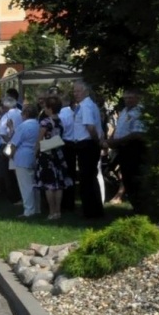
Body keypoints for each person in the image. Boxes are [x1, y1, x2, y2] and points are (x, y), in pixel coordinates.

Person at [66, 81, 105, 219]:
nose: (75, 94)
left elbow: (90, 127)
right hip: (85, 144)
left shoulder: (86, 106)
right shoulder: (85, 105)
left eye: (78, 91)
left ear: (85, 92)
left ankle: (91, 211)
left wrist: (95, 140)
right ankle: (92, 209)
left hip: (87, 144)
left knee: (87, 179)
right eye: (74, 91)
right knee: (88, 178)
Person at [108, 88, 147, 210]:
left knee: (134, 178)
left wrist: (117, 141)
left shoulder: (139, 111)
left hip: (133, 148)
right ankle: (135, 206)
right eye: (126, 98)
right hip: (122, 148)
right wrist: (112, 140)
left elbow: (137, 134)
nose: (128, 100)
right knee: (126, 177)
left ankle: (140, 206)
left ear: (137, 98)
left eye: (131, 98)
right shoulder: (124, 110)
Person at [35, 96, 71, 220]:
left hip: (46, 154)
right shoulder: (60, 121)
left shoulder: (45, 122)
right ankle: (58, 211)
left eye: (45, 107)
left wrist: (35, 153)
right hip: (58, 153)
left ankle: (52, 211)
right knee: (58, 183)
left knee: (49, 184)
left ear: (50, 108)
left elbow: (39, 139)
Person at [10, 102, 42, 217]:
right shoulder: (38, 125)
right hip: (35, 154)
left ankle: (29, 210)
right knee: (35, 184)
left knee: (25, 186)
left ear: (26, 114)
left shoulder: (23, 126)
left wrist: (10, 155)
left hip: (22, 156)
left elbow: (14, 143)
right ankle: (37, 208)